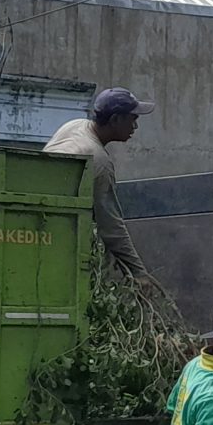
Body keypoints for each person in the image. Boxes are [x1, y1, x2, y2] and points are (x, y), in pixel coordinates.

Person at [45, 87, 152, 281]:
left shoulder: (75, 125)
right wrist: (139, 273)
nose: (135, 127)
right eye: (132, 119)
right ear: (115, 120)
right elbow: (111, 227)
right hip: (60, 241)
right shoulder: (99, 161)